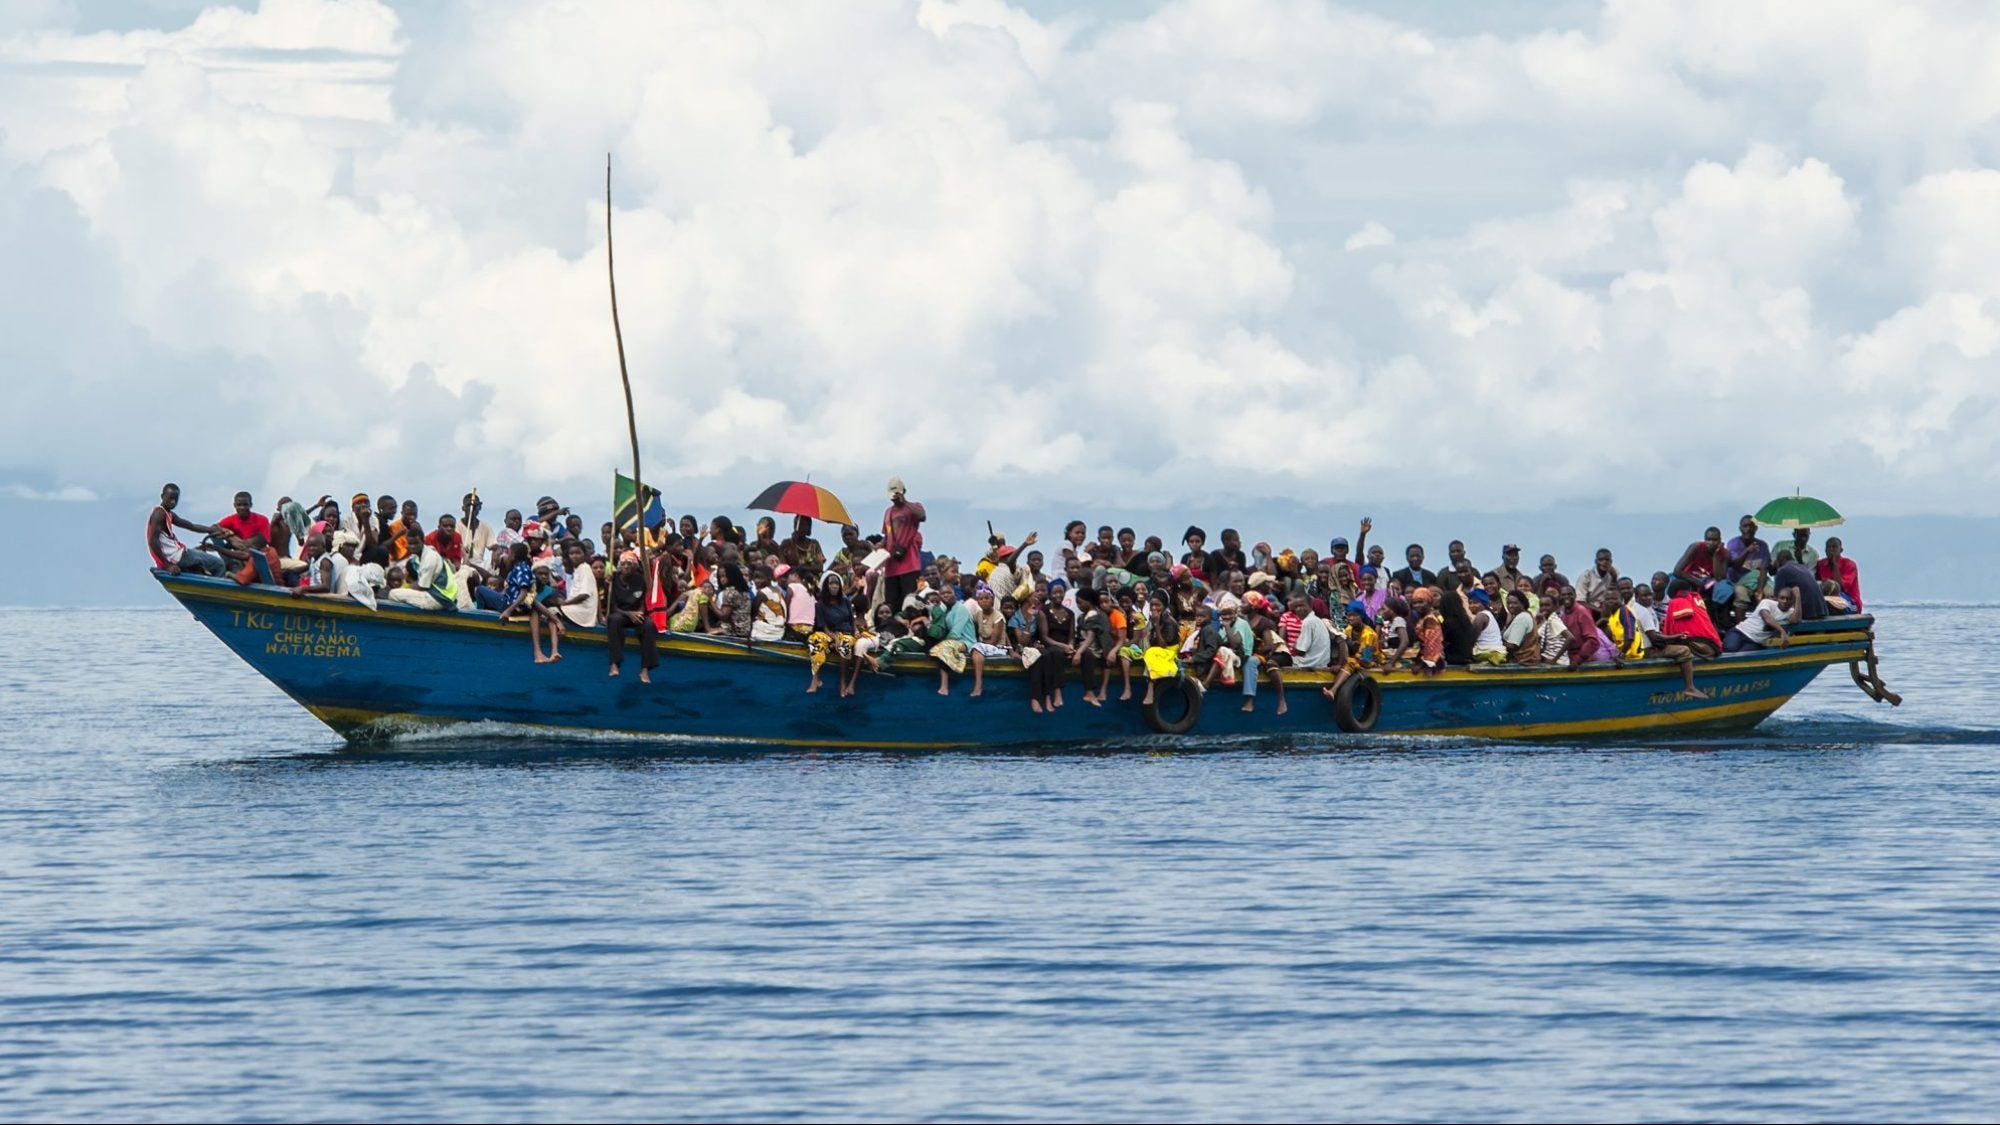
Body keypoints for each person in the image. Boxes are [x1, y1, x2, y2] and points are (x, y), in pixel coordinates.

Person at [148, 483, 230, 576]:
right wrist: (168, 565)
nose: (173, 502)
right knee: (219, 564)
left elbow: (192, 526)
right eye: (170, 498)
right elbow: (153, 541)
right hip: (178, 556)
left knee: (200, 570)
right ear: (162, 496)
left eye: (175, 499)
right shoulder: (159, 514)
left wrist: (211, 530)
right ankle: (217, 589)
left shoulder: (169, 514)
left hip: (178, 555)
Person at [606, 552, 659, 684]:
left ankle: (645, 669)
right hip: (622, 613)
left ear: (635, 566)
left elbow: (643, 601)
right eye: (624, 563)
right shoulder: (613, 579)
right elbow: (613, 607)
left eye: (630, 564)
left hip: (637, 614)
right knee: (614, 620)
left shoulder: (641, 580)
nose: (626, 566)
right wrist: (629, 614)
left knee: (648, 625)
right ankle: (615, 663)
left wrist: (639, 613)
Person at [806, 573, 862, 695]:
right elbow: (824, 627)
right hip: (830, 633)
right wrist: (834, 637)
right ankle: (815, 679)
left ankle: (842, 682)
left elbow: (852, 621)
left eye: (836, 583)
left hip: (846, 632)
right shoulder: (820, 604)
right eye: (831, 583)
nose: (835, 586)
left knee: (845, 644)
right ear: (826, 586)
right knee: (814, 639)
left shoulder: (846, 601)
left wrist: (856, 631)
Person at [880, 477, 926, 613]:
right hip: (891, 566)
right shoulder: (888, 512)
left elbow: (922, 516)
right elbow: (887, 534)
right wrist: (880, 545)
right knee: (892, 602)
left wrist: (904, 502)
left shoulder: (914, 507)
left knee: (910, 601)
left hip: (909, 564)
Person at [1727, 587, 1799, 652]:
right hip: (1740, 632)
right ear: (1777, 598)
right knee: (1730, 648)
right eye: (1782, 598)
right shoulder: (1767, 602)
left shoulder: (1790, 611)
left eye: (1788, 599)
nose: (1785, 601)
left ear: (1792, 601)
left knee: (1741, 656)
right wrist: (1782, 631)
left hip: (1755, 642)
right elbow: (1766, 618)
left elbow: (1794, 620)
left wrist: (1798, 597)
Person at [1771, 549, 1829, 620]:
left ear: (1781, 560)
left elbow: (1777, 596)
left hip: (1807, 612)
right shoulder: (1803, 567)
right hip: (1822, 610)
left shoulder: (1783, 570)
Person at [555, 541, 598, 628]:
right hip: (575, 609)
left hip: (580, 613)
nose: (575, 556)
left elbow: (584, 595)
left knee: (549, 602)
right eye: (572, 553)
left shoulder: (585, 568)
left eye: (578, 553)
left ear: (585, 555)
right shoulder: (578, 569)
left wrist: (566, 603)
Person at [1815, 537, 1862, 612]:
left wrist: (1835, 565)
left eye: (1834, 547)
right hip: (1828, 599)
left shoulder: (1850, 565)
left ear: (1841, 550)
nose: (1831, 549)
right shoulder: (1821, 564)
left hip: (1849, 600)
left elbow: (1840, 587)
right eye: (1828, 547)